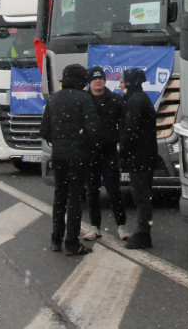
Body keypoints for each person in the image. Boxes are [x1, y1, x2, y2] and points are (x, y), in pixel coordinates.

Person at [39, 64, 94, 256]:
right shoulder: (85, 99)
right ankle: (72, 243)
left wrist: (58, 141)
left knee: (59, 196)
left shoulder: (54, 99)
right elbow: (92, 129)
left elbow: (44, 130)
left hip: (59, 155)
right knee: (75, 198)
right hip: (79, 155)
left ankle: (56, 239)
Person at [82, 65, 129, 242]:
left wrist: (120, 142)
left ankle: (121, 226)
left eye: (100, 77)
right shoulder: (84, 101)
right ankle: (94, 227)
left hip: (109, 151)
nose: (98, 80)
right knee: (92, 191)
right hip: (90, 152)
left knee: (114, 190)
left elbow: (124, 125)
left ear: (105, 79)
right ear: (90, 81)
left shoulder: (115, 100)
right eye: (94, 78)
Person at [119, 67, 158, 250]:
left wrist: (122, 151)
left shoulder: (135, 101)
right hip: (146, 154)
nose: (120, 84)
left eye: (123, 80)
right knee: (143, 195)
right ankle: (144, 232)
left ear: (130, 82)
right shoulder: (141, 98)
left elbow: (131, 132)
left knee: (141, 197)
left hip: (139, 156)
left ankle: (143, 234)